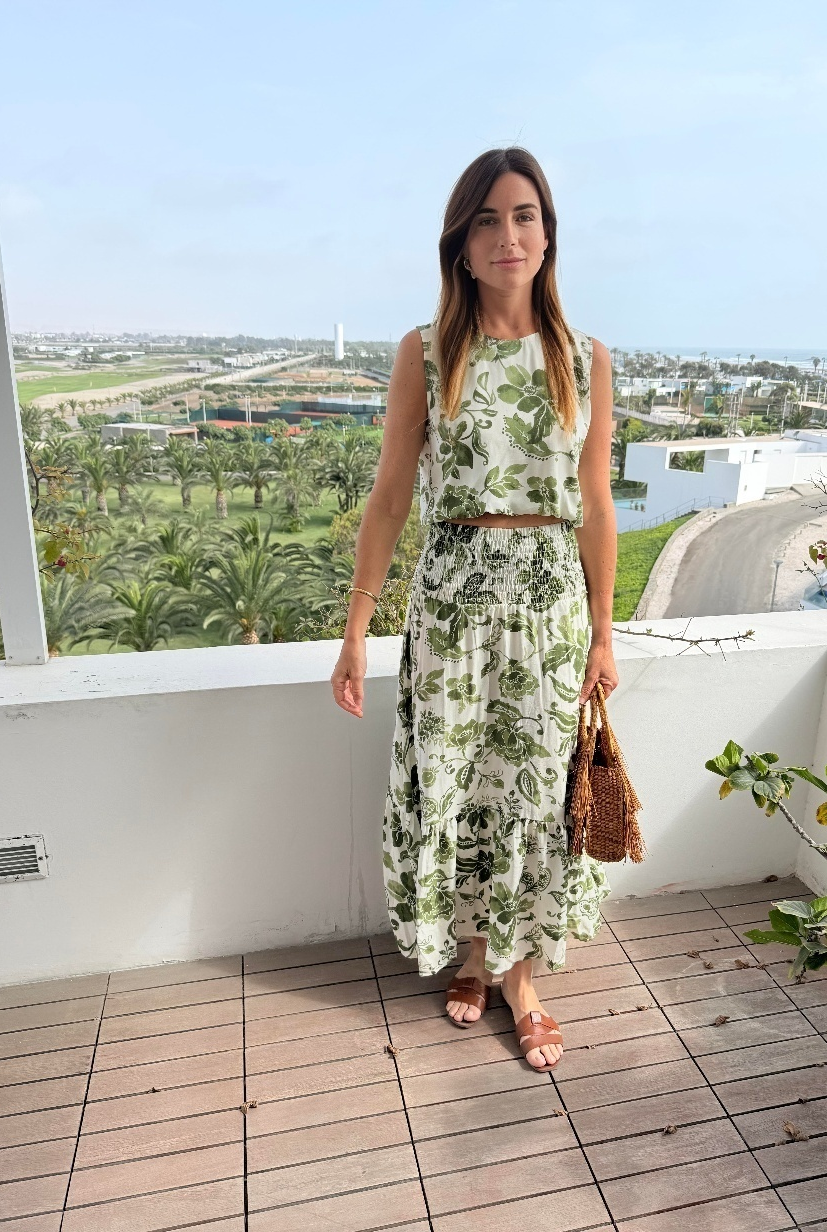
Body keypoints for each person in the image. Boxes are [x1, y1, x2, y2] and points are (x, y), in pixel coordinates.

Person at [331, 146, 618, 1071]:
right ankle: (471, 955)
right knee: (456, 782)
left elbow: (596, 505)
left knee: (535, 794)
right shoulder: (428, 352)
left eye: (524, 215)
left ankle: (521, 979)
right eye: (487, 219)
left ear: (548, 234)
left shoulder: (584, 359)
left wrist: (604, 633)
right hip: (452, 605)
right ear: (461, 242)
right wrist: (356, 627)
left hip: (549, 610)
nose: (508, 236)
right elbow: (390, 497)